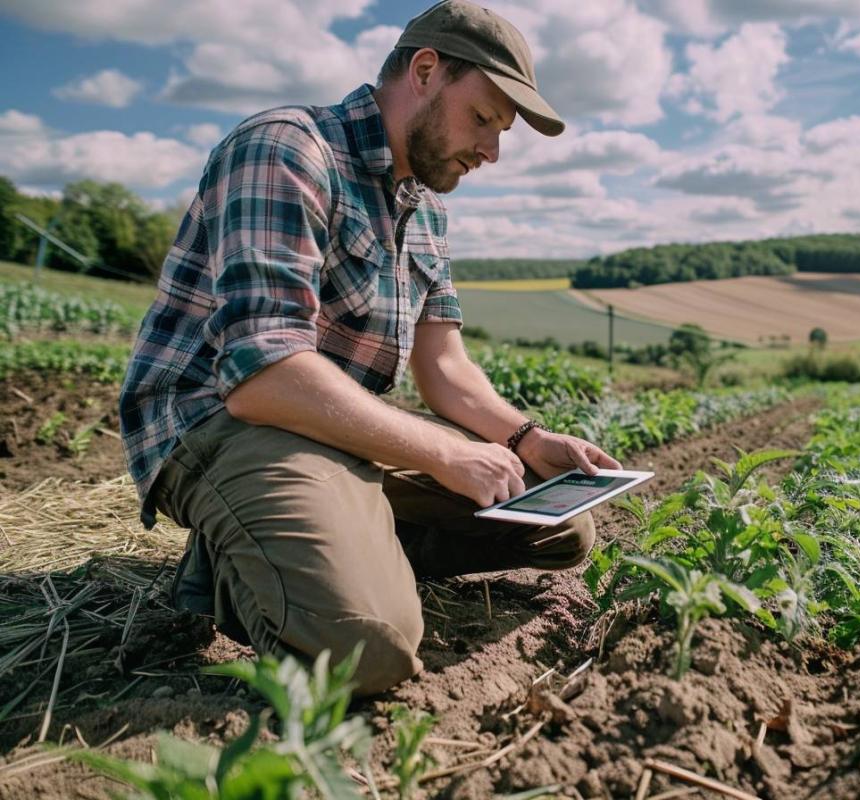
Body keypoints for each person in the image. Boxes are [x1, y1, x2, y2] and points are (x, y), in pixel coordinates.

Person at [118, 0, 620, 694]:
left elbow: (444, 367)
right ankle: (260, 556)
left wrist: (527, 438)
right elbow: (262, 375)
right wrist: (442, 450)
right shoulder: (288, 148)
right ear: (424, 71)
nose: (492, 152)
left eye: (502, 134)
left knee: (562, 526)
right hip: (220, 424)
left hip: (332, 432)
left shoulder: (427, 208)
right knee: (369, 648)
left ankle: (333, 537)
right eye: (482, 119)